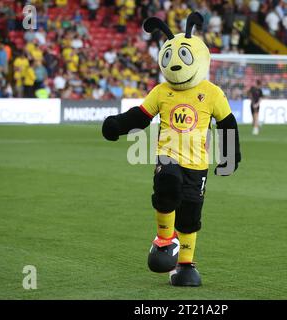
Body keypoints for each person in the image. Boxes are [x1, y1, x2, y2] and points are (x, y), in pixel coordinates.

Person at [102, 13, 241, 287]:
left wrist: (229, 156)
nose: (175, 64)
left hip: (198, 163)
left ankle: (186, 265)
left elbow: (227, 123)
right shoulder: (161, 91)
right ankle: (165, 239)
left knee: (191, 213)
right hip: (168, 156)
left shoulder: (212, 93)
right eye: (169, 58)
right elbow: (140, 116)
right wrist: (117, 125)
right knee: (167, 183)